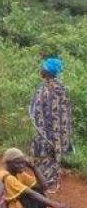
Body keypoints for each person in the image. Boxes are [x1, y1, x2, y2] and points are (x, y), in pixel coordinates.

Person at [29, 57, 72, 192]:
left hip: (45, 132)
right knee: (53, 156)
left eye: (43, 67)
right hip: (57, 133)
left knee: (43, 155)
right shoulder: (61, 88)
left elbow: (38, 109)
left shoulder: (45, 89)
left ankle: (45, 183)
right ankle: (51, 182)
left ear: (47, 71)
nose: (40, 69)